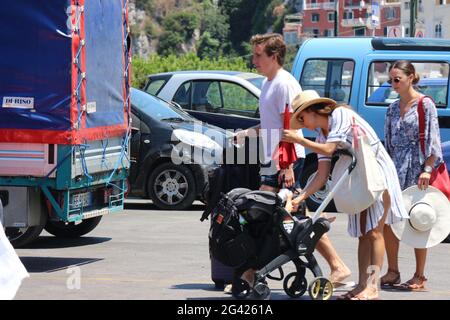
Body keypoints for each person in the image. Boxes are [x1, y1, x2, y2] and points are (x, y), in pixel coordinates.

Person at [235, 33, 350, 288]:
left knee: (269, 216)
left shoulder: (285, 84)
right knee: (292, 218)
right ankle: (333, 266)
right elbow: (272, 126)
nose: (253, 60)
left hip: (285, 162)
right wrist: (248, 133)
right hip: (273, 161)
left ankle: (254, 271)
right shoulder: (268, 83)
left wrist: (286, 166)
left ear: (273, 57)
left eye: (258, 55)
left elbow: (290, 128)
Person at [282, 90, 408, 300]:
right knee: (363, 234)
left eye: (302, 118)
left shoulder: (339, 114)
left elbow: (330, 149)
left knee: (375, 231)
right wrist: (300, 198)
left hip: (375, 172)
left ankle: (372, 286)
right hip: (357, 177)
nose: (302, 124)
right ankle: (361, 285)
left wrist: (300, 141)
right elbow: (321, 176)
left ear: (312, 111)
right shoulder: (322, 134)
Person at [382, 60, 443, 291]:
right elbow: (387, 144)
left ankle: (419, 275)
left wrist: (427, 169)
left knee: (419, 221)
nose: (393, 83)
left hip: (417, 170)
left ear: (411, 77)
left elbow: (433, 141)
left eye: (397, 79)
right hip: (394, 170)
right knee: (390, 222)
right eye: (391, 80)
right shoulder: (391, 108)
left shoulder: (425, 105)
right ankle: (393, 270)